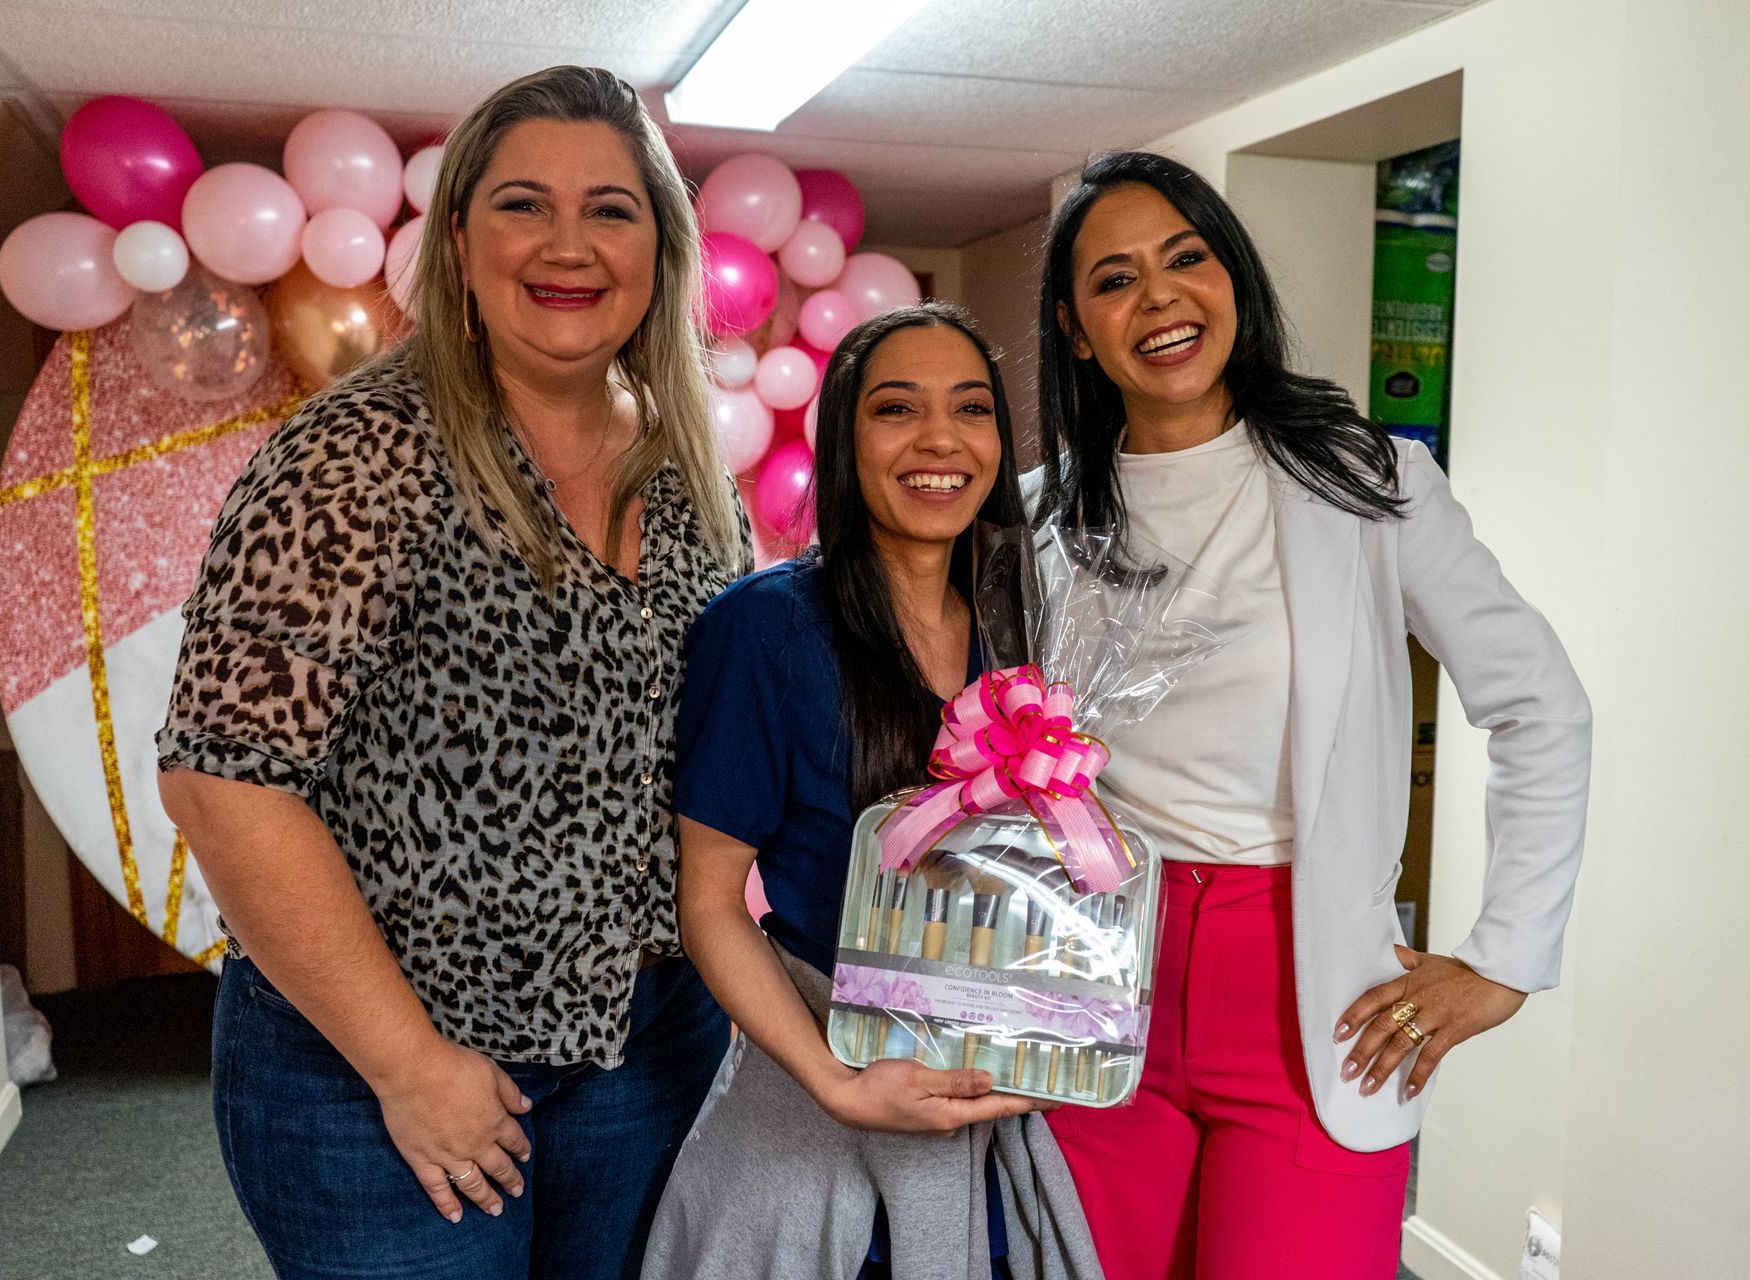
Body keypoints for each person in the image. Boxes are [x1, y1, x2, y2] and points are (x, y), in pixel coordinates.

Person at [155, 65, 748, 1280]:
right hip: (377, 1064)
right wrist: (409, 1065)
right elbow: (225, 780)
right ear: (462, 238)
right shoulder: (361, 451)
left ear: (662, 249)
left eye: (613, 208)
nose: (569, 244)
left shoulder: (688, 473)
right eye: (525, 203)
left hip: (643, 1047)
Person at [1029, 151, 1592, 1279]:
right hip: (1095, 983)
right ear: (1077, 329)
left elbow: (1542, 703)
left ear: (1233, 275)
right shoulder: (1038, 518)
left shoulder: (1372, 482)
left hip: (1305, 994)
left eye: (1187, 257)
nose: (1161, 297)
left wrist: (1502, 959)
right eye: (1116, 278)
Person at [643, 303, 1102, 1280]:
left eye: (971, 408)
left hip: (992, 1101)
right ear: (845, 439)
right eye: (898, 408)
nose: (941, 439)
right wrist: (837, 1081)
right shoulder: (766, 629)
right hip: (826, 1080)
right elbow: (711, 900)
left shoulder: (1023, 622)